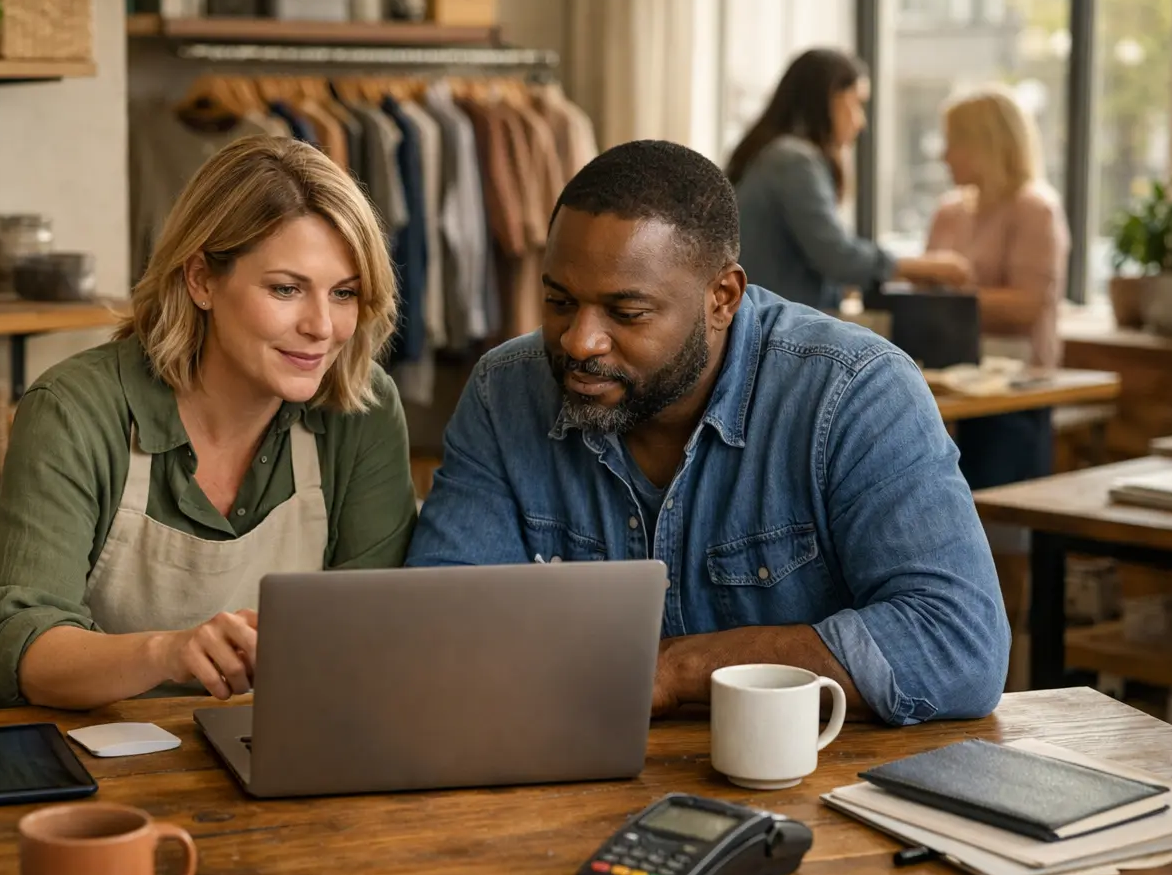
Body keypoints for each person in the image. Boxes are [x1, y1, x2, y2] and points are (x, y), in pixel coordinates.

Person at [405, 139, 1008, 726]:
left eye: (626, 313)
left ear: (722, 298)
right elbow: (437, 630)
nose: (579, 341)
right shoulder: (505, 391)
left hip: (818, 782)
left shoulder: (854, 391)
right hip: (571, 772)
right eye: (559, 302)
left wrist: (674, 670)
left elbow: (958, 643)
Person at [0, 136, 418, 715]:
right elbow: (16, 650)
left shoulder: (361, 409)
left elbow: (373, 630)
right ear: (201, 279)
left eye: (344, 293)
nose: (322, 327)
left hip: (233, 741)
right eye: (286, 289)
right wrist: (169, 653)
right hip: (38, 739)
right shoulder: (75, 408)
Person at [728, 48, 972, 311]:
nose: (861, 122)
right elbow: (836, 254)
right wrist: (922, 267)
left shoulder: (774, 155)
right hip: (770, 322)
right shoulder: (793, 161)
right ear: (828, 98)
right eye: (856, 103)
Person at [927, 87, 1071, 488]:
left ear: (985, 144)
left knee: (994, 498)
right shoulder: (948, 210)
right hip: (946, 386)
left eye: (954, 142)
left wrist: (951, 292)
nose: (944, 155)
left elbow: (1027, 306)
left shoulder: (1035, 209)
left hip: (1014, 393)